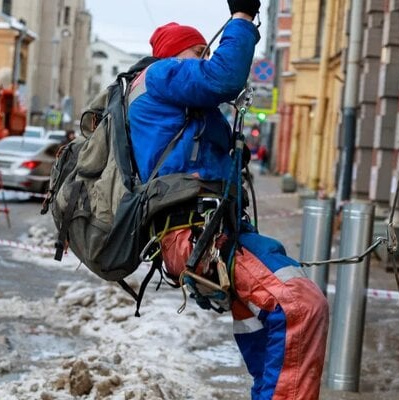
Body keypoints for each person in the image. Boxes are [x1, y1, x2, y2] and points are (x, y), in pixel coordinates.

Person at [128, 2, 329, 399]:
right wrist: (240, 18)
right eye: (197, 52)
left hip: (208, 232)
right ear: (173, 55)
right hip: (195, 233)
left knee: (265, 322)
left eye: (206, 51)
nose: (203, 58)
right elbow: (223, 77)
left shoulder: (171, 102)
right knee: (300, 305)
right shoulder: (161, 73)